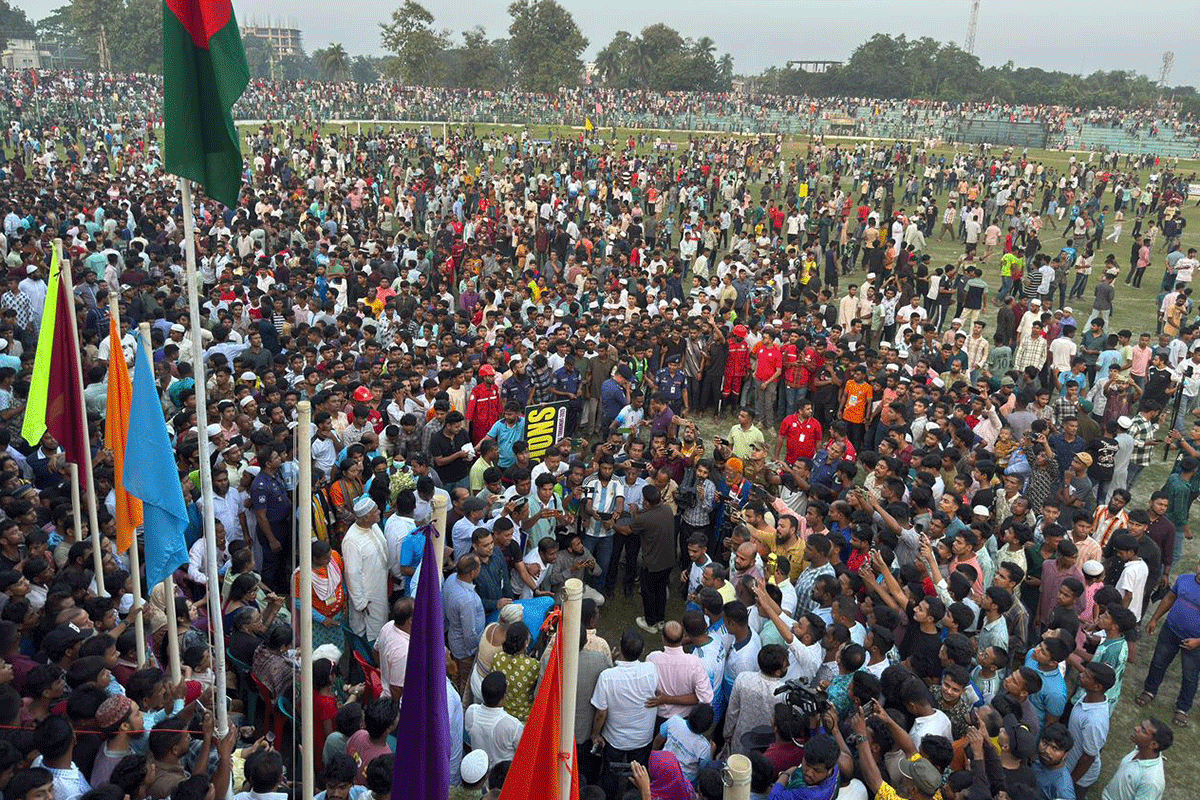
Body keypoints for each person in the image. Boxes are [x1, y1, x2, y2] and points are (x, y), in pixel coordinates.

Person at [1138, 558, 1200, 728]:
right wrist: (1154, 619)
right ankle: (1149, 690)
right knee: (1158, 663)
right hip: (1171, 631)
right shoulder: (1184, 579)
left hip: (1195, 642)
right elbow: (1169, 599)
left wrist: (1198, 642)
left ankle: (1183, 708)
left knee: (1190, 675)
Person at [342, 496, 389, 643]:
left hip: (380, 586)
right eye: (375, 511)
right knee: (371, 631)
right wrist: (360, 603)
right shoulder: (352, 540)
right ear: (366, 517)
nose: (379, 512)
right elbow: (352, 574)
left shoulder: (373, 527)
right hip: (368, 596)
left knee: (381, 623)